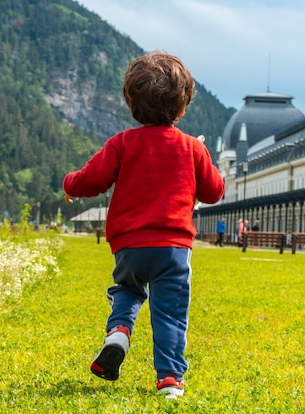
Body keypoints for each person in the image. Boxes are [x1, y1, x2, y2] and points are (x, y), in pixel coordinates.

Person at [62, 51, 224, 399]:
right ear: (182, 107)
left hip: (130, 245)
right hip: (173, 249)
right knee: (169, 314)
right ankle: (169, 380)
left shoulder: (122, 143)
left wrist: (69, 184)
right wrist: (202, 155)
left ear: (132, 103)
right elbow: (214, 192)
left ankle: (118, 332)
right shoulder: (191, 148)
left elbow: (92, 180)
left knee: (128, 289)